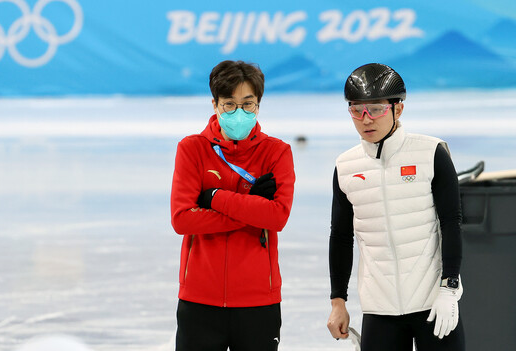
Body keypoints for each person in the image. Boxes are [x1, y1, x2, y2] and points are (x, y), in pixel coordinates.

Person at [326, 63, 465, 350]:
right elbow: (340, 236)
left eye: (376, 109)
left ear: (397, 109)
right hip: (380, 309)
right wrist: (338, 301)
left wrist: (449, 288)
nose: (366, 119)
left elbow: (451, 221)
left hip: (432, 303)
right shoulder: (346, 166)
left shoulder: (431, 153)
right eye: (356, 110)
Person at [170, 60, 295, 351]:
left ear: (258, 106)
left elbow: (277, 217)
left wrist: (214, 198)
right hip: (199, 301)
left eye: (247, 104)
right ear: (215, 104)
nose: (238, 112)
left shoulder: (276, 153)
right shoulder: (192, 149)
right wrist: (253, 209)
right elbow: (182, 219)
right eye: (229, 104)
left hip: (258, 302)